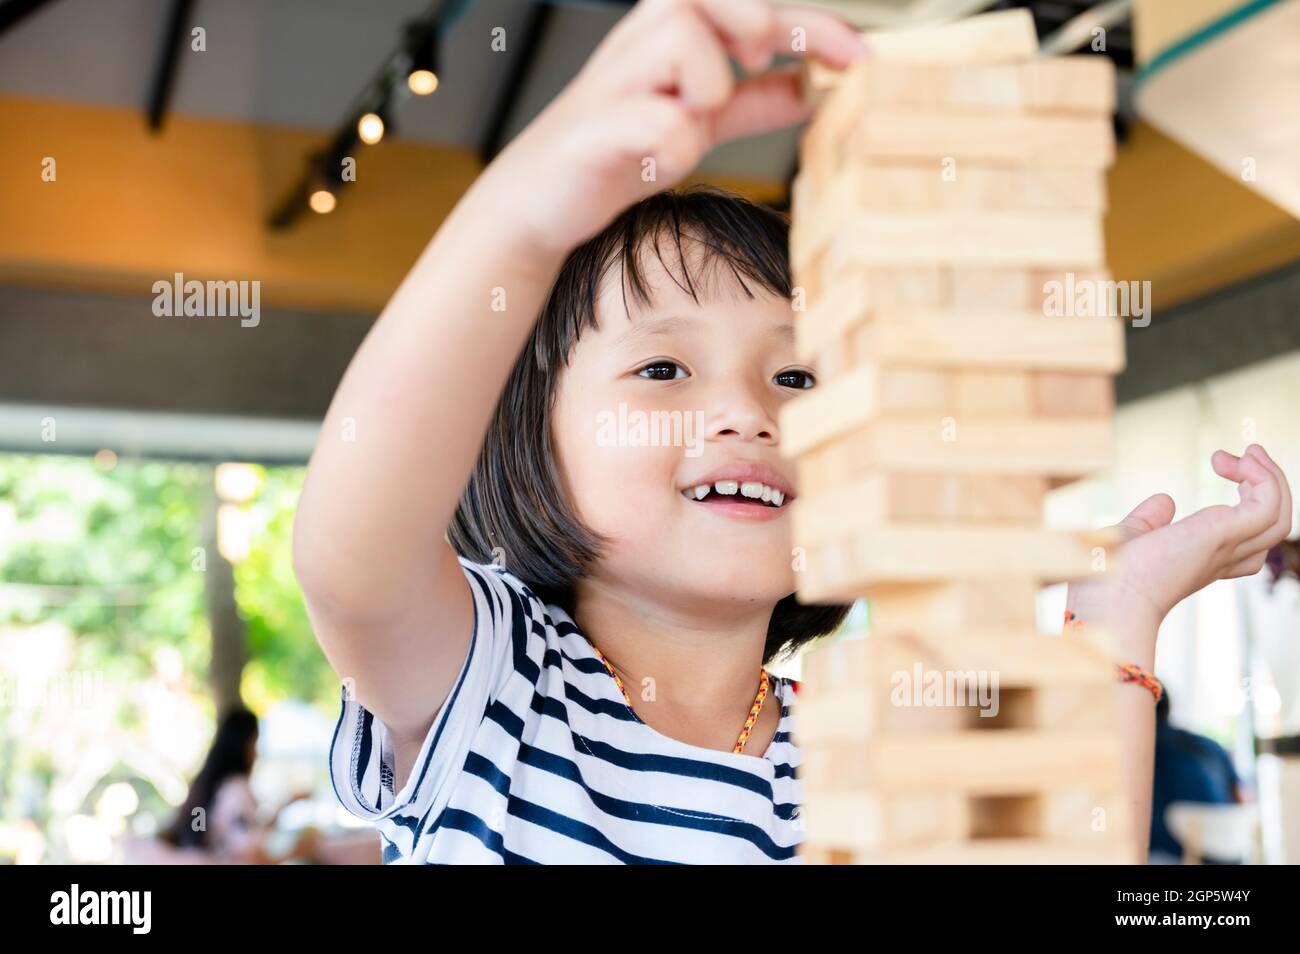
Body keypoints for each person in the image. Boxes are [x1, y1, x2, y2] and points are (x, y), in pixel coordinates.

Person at [293, 0, 1294, 863]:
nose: (749, 413)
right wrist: (527, 209)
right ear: (526, 435)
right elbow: (352, 554)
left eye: (801, 377)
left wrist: (1116, 617)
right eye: (661, 368)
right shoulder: (491, 678)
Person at [161, 706, 316, 863]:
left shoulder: (209, 786)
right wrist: (297, 852)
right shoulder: (236, 788)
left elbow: (245, 830)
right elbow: (248, 850)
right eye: (255, 742)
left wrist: (288, 803)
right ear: (244, 744)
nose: (256, 752)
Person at [1150, 688, 1246, 863]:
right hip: (1227, 851)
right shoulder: (1210, 745)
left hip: (1173, 851)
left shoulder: (1145, 748)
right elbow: (1240, 797)